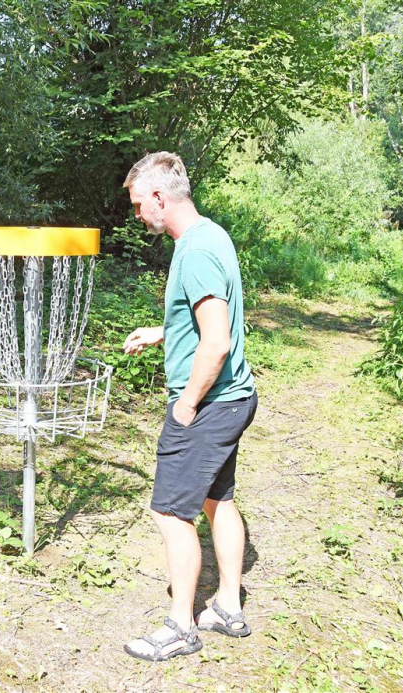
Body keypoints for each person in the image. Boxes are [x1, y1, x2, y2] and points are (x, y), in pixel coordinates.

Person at [120, 152, 258, 661]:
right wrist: (166, 332)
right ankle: (226, 604)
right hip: (234, 397)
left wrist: (185, 405)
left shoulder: (195, 250)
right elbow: (206, 319)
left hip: (211, 403)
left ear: (159, 197)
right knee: (216, 499)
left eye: (139, 205)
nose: (138, 215)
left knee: (169, 512)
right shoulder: (208, 234)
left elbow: (217, 341)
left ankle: (180, 626)